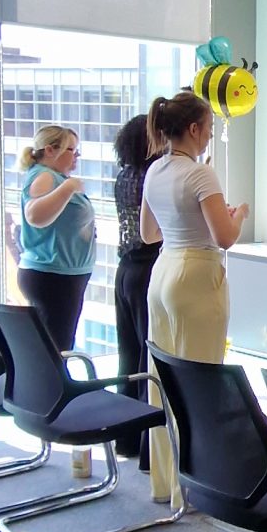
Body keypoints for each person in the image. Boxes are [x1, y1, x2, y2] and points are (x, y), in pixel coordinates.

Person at [140, 88, 248, 505]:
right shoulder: (200, 174)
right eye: (208, 128)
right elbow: (225, 237)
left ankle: (166, 484)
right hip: (196, 276)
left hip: (163, 270)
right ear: (193, 128)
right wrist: (238, 215)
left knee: (163, 381)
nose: (209, 136)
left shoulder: (156, 171)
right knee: (201, 384)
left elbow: (150, 234)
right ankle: (196, 489)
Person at [17, 123, 97, 353]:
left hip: (62, 274)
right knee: (55, 350)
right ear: (50, 150)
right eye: (71, 150)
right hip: (53, 274)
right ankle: (53, 389)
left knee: (57, 345)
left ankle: (51, 387)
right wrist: (68, 188)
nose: (76, 156)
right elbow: (35, 215)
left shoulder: (54, 177)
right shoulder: (46, 177)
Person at [112, 112, 161, 473]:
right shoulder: (154, 178)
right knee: (149, 361)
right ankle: (149, 448)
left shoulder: (123, 176)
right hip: (147, 269)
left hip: (124, 271)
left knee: (128, 356)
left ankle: (125, 438)